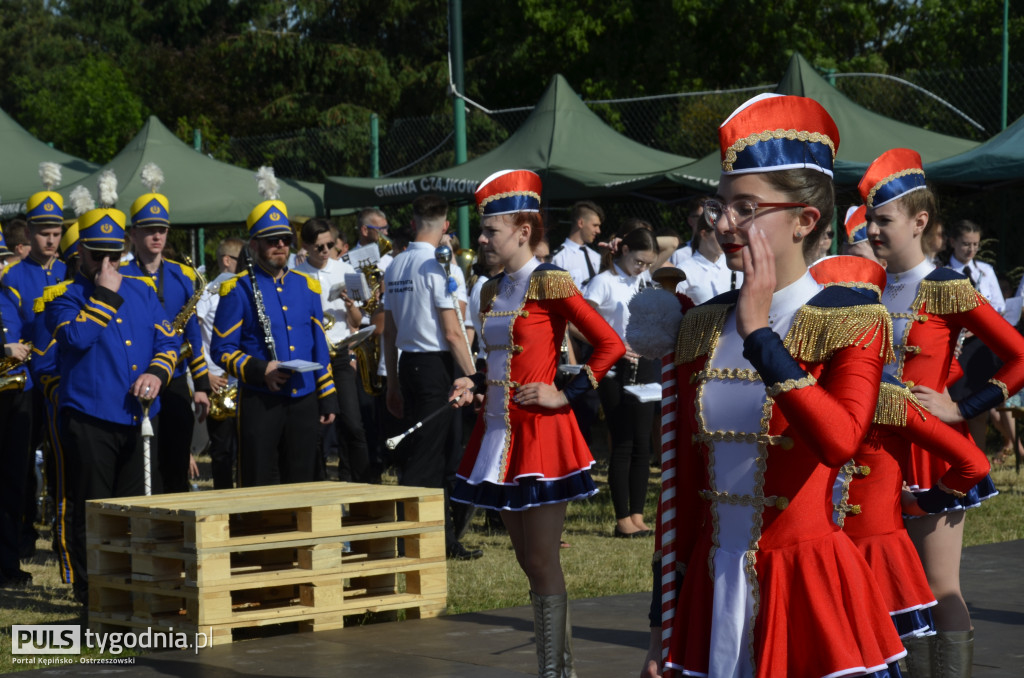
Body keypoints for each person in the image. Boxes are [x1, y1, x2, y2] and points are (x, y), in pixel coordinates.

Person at [637, 93, 906, 678]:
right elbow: (681, 488)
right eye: (722, 206)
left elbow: (840, 440)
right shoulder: (700, 325)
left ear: (805, 220)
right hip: (710, 590)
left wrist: (760, 333)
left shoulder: (853, 319)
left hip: (807, 585)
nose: (725, 223)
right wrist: (662, 622)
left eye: (746, 207)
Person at [448, 169, 624, 677]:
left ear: (524, 231)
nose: (480, 239)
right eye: (482, 231)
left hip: (541, 435)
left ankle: (558, 671)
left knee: (544, 560)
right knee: (527, 560)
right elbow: (497, 360)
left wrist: (565, 392)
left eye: (491, 230)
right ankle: (555, 665)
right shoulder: (488, 289)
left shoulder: (549, 280)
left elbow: (609, 343)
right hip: (498, 434)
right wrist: (474, 381)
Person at [860, 148, 1024, 676]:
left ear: (920, 220)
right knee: (881, 583)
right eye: (870, 221)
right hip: (867, 451)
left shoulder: (947, 287)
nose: (874, 230)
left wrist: (963, 407)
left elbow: (1018, 354)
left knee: (938, 586)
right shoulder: (866, 285)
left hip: (930, 453)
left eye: (884, 220)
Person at [808, 255, 991, 673]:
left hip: (876, 555)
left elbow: (972, 462)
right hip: (825, 551)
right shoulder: (805, 385)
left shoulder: (888, 395)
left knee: (896, 653)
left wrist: (926, 504)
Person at [45, 189, 180, 605]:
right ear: (82, 252)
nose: (108, 265)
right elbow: (76, 337)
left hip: (137, 417)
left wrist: (157, 375)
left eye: (114, 255)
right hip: (89, 418)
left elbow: (168, 341)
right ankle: (93, 594)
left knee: (138, 510)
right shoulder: (64, 296)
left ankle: (134, 588)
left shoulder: (142, 291)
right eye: (98, 255)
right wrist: (103, 294)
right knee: (93, 511)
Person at [211, 167, 338, 487]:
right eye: (272, 240)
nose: (281, 245)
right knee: (260, 481)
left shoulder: (306, 285)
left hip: (304, 397)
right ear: (254, 245)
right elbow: (221, 349)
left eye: (285, 239)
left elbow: (318, 344)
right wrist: (259, 369)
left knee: (302, 480)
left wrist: (327, 394)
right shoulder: (237, 289)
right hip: (260, 399)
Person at [383, 194, 479, 560]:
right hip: (437, 364)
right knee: (426, 459)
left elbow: (389, 331)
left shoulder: (395, 264)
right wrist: (475, 376)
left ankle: (445, 540)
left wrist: (392, 380)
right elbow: (453, 332)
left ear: (412, 224)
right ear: (445, 227)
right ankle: (406, 540)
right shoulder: (438, 266)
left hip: (410, 364)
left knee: (441, 454)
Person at [120, 164, 211, 493]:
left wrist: (200, 385)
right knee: (142, 463)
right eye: (148, 229)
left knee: (174, 460)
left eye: (162, 229)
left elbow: (193, 336)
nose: (157, 236)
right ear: (133, 233)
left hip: (174, 381)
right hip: (133, 377)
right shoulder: (121, 276)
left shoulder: (182, 276)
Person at [583, 227, 658, 538]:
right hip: (615, 366)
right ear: (623, 250)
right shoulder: (604, 281)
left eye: (647, 263)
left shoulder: (641, 280)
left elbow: (670, 243)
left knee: (643, 442)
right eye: (639, 261)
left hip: (646, 362)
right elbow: (583, 320)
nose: (642, 268)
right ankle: (622, 517)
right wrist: (613, 345)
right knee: (623, 441)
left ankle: (638, 514)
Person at [294, 217, 370, 483]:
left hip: (338, 353)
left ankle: (358, 483)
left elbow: (357, 320)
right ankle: (318, 483)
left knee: (352, 423)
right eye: (319, 247)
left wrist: (350, 305)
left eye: (329, 245)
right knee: (315, 427)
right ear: (306, 247)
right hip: (311, 357)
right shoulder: (298, 275)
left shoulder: (342, 270)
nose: (325, 251)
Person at [196, 236, 244, 488]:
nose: (246, 264)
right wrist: (205, 374)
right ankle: (224, 500)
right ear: (227, 261)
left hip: (242, 379)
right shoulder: (209, 292)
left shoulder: (245, 288)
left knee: (246, 447)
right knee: (223, 449)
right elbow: (196, 334)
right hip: (219, 381)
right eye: (241, 259)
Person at [675, 204, 742, 305]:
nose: (725, 238)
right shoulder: (683, 270)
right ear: (704, 234)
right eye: (718, 233)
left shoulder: (734, 264)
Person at [551, 200, 603, 289]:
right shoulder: (559, 258)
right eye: (595, 225)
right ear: (581, 223)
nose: (598, 231)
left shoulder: (597, 257)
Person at [350, 207, 393, 271]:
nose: (386, 233)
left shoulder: (389, 260)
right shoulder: (347, 262)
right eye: (381, 229)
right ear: (365, 230)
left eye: (386, 228)